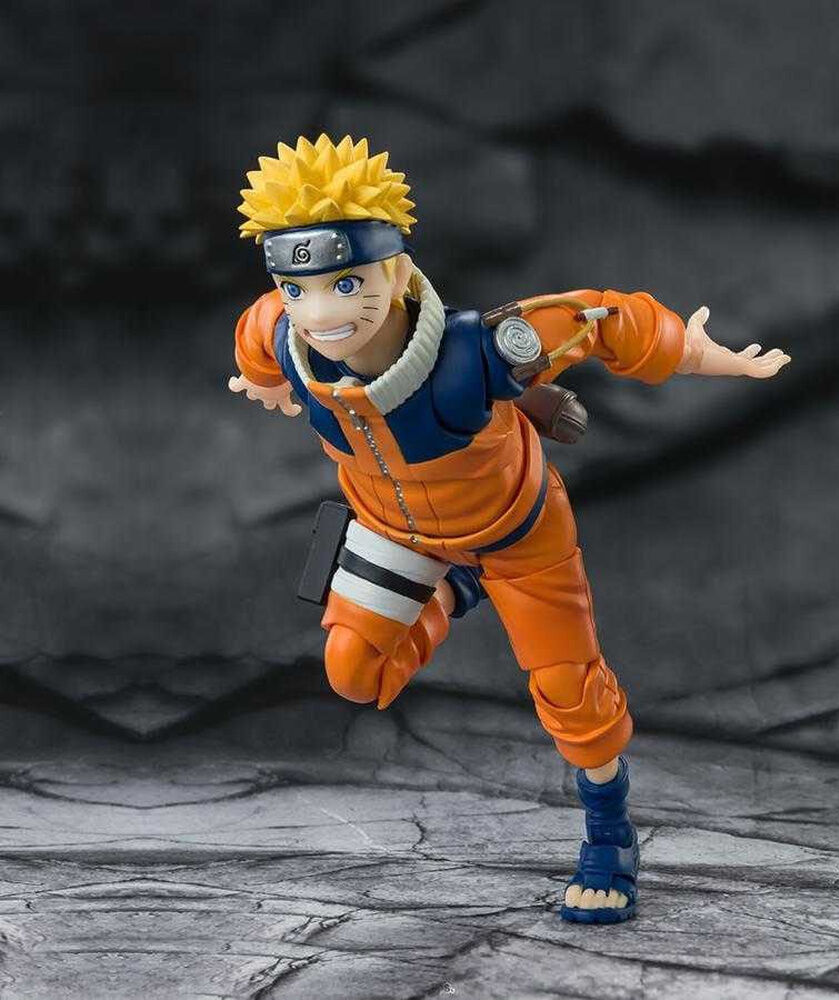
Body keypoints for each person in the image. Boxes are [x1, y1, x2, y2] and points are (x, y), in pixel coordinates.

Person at [229, 134, 791, 923]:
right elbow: (256, 334)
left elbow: (600, 321)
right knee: (354, 674)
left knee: (571, 695)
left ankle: (609, 832)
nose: (320, 313)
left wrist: (697, 351)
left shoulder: (477, 351)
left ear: (396, 273)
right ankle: (455, 590)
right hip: (396, 531)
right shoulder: (286, 338)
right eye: (298, 287)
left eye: (346, 283)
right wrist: (263, 381)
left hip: (518, 535)